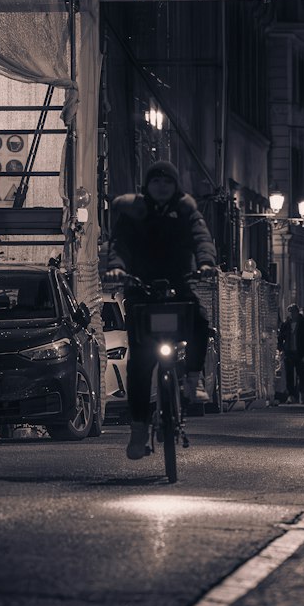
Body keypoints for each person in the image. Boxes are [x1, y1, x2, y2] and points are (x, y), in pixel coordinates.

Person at [103, 160, 217, 460]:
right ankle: (138, 428)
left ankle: (194, 378)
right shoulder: (132, 212)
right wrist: (116, 268)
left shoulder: (186, 210)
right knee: (140, 362)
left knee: (200, 320)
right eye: (156, 181)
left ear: (175, 185)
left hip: (178, 283)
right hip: (141, 287)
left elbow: (201, 238)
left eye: (168, 182)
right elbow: (120, 245)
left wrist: (206, 264)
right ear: (147, 185)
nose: (162, 187)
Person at [277, 302, 304, 404]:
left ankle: (302, 393)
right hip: (289, 352)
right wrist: (281, 349)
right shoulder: (286, 324)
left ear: (297, 313)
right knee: (289, 375)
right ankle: (291, 395)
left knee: (302, 374)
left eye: (293, 312)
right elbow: (280, 337)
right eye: (290, 313)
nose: (291, 315)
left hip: (300, 353)